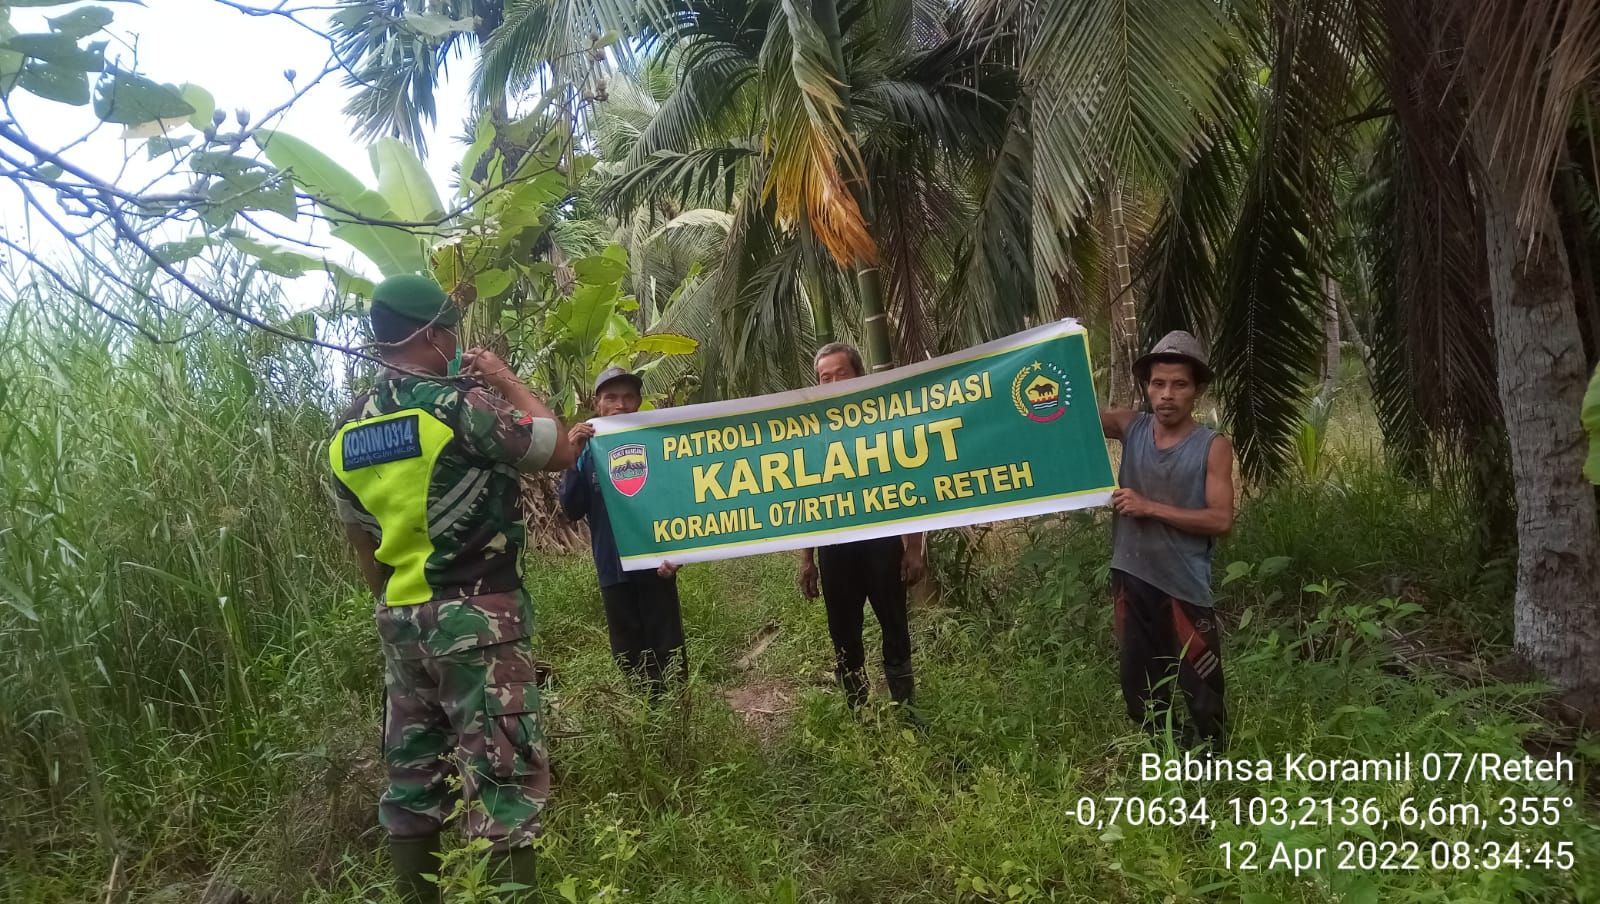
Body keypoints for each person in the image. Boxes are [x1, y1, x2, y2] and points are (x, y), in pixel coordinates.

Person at [325, 274, 576, 904]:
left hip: (401, 623)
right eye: (451, 334)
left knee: (412, 781)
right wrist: (504, 378)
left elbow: (361, 538)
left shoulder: (348, 428)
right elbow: (556, 447)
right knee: (503, 782)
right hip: (478, 619)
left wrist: (397, 603)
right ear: (434, 335)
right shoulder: (460, 407)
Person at [1099, 330, 1235, 751]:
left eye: (1179, 384)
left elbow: (1221, 519)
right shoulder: (1131, 426)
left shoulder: (1212, 447)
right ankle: (1167, 759)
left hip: (1183, 587)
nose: (1167, 395)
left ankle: (1213, 767)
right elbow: (1068, 417)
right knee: (1139, 688)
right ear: (1147, 386)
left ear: (1197, 391)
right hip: (1131, 577)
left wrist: (1149, 507)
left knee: (1203, 689)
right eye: (1158, 383)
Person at [800, 342, 926, 713]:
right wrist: (807, 559)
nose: (833, 383)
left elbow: (911, 486)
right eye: (825, 378)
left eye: (841, 374)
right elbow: (804, 499)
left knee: (895, 626)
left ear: (859, 375)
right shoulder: (811, 434)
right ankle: (859, 715)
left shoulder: (884, 423)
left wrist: (914, 547)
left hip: (882, 545)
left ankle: (906, 710)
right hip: (835, 550)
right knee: (843, 635)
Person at [559, 366, 687, 695]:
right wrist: (571, 458)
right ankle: (644, 718)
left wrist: (679, 555)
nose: (620, 405)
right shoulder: (586, 451)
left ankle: (679, 717)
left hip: (656, 566)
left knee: (669, 651)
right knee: (629, 655)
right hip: (612, 569)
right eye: (611, 397)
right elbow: (572, 510)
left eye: (629, 397)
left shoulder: (657, 442)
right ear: (597, 404)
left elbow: (679, 501)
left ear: (639, 402)